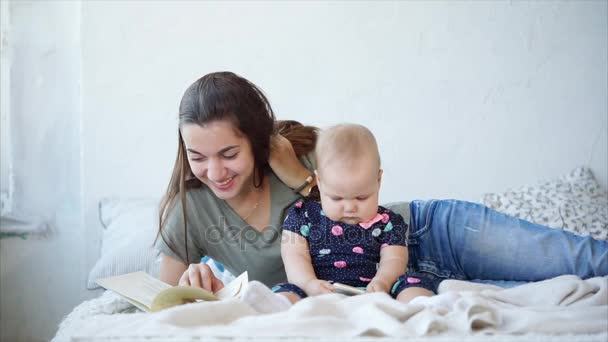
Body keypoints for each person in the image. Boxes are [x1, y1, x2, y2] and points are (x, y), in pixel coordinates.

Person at [155, 71, 607, 311]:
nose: (214, 172)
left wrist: (298, 176)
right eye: (198, 156)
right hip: (398, 290)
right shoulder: (189, 211)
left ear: (254, 138)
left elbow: (349, 201)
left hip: (430, 233)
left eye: (229, 153)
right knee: (554, 294)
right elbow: (161, 298)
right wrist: (202, 287)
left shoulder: (302, 154)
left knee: (588, 262)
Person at [271, 123, 436, 306]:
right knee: (284, 291)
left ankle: (421, 312)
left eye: (361, 197)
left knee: (413, 283)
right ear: (320, 181)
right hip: (317, 293)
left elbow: (395, 258)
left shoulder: (388, 222)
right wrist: (308, 283)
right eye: (336, 198)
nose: (349, 207)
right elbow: (294, 256)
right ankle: (276, 316)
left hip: (373, 292)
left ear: (378, 180)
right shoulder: (303, 216)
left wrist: (383, 281)